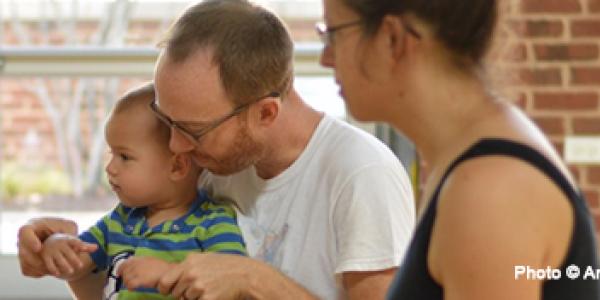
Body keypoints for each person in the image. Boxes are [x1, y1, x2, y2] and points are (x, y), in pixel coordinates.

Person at [17, 1, 416, 299]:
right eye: (165, 118)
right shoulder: (211, 161)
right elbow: (121, 285)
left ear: (265, 112)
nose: (175, 146)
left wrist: (252, 279)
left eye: (191, 129)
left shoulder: (360, 174)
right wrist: (67, 261)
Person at [318, 0, 600, 299]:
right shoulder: (472, 165)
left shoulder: (489, 190)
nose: (326, 57)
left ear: (392, 38)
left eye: (333, 34)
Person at [35, 83, 246, 299]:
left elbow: (232, 286)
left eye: (124, 157)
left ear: (177, 167)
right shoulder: (120, 219)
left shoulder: (213, 223)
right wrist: (57, 247)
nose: (110, 168)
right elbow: (78, 264)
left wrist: (166, 275)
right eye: (112, 154)